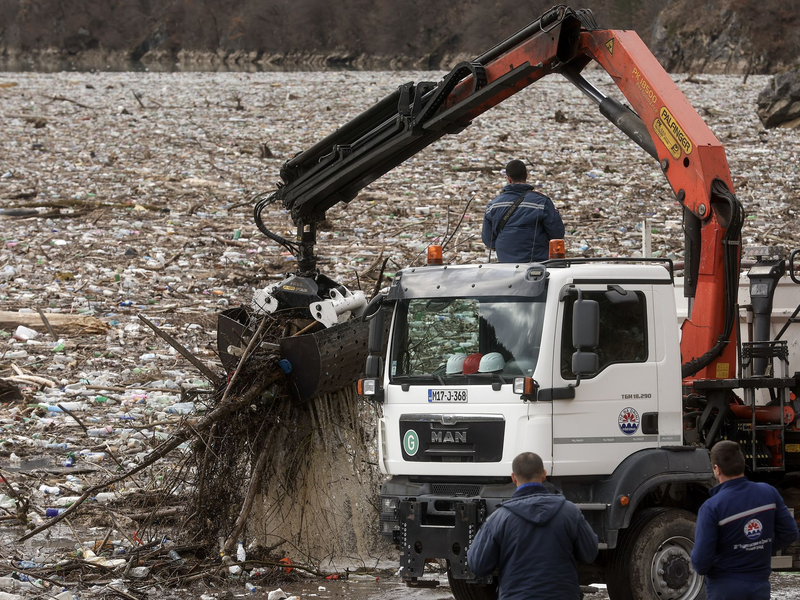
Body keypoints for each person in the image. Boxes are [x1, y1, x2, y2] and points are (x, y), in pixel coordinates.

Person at [466, 452, 598, 599]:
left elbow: (478, 565)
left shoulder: (499, 518)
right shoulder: (570, 512)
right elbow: (590, 553)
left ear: (513, 478)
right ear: (543, 474)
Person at [691, 440, 799, 600]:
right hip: (759, 586)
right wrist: (760, 548)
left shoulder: (712, 507)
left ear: (717, 469)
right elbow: (790, 532)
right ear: (742, 464)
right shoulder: (769, 493)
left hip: (724, 589)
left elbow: (700, 563)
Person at [481, 159, 565, 263]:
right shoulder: (541, 202)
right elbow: (557, 234)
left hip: (506, 264)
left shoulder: (493, 206)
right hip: (537, 265)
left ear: (508, 178)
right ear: (526, 175)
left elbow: (488, 239)